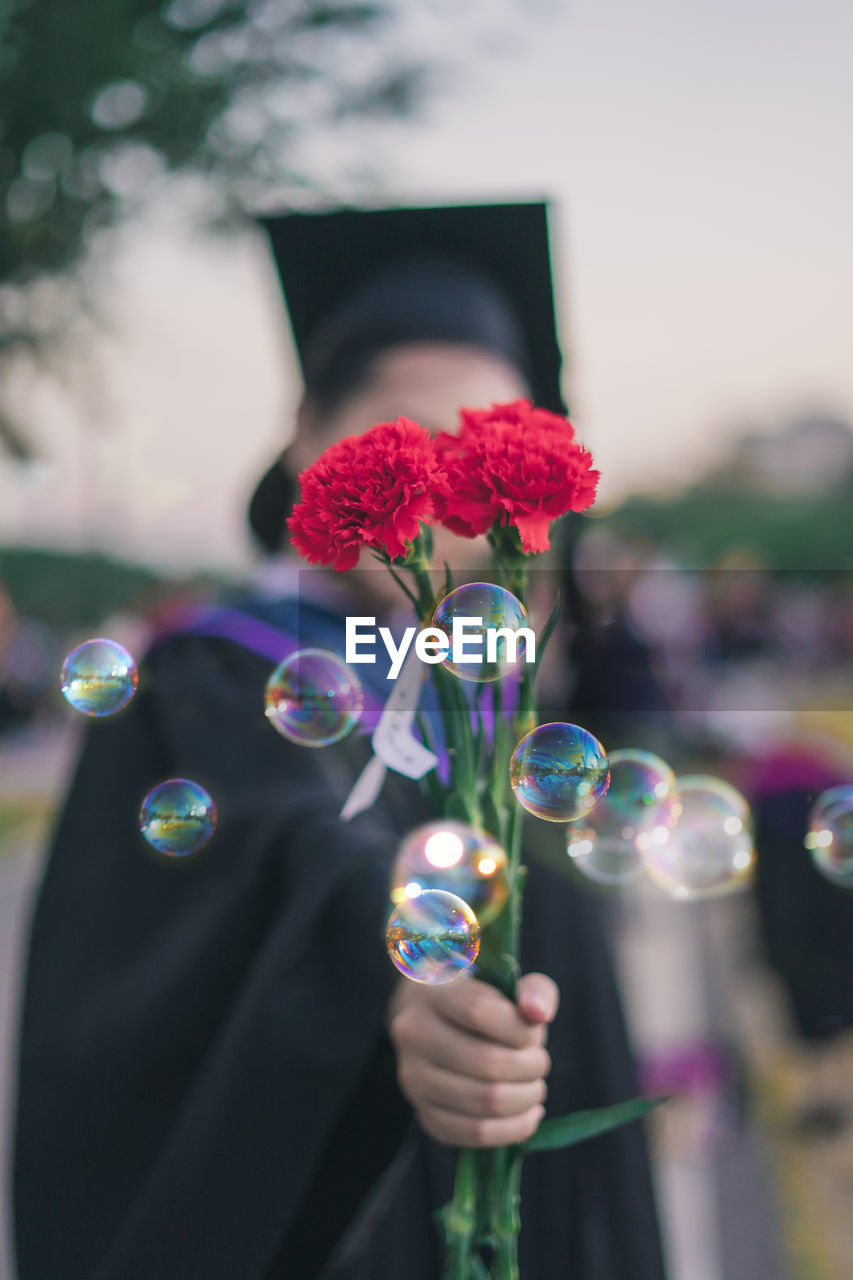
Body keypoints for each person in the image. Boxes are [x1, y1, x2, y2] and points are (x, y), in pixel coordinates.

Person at [13, 203, 667, 1279]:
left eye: (479, 449)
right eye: (401, 430)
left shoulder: (481, 701)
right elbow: (296, 844)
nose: (435, 483)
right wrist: (405, 973)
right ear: (310, 433)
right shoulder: (213, 676)